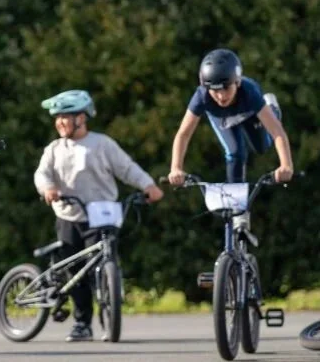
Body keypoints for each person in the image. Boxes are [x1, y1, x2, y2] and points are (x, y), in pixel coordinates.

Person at [34, 89, 163, 342]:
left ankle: (109, 310)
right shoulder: (54, 149)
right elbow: (42, 174)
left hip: (102, 215)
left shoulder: (102, 144)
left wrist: (148, 186)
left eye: (66, 117)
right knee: (75, 272)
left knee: (103, 263)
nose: (60, 122)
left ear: (81, 118)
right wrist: (48, 189)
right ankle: (82, 324)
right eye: (57, 117)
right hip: (69, 216)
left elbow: (126, 168)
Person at [168, 48, 293, 187]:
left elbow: (277, 132)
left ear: (237, 82)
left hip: (250, 113)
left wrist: (286, 165)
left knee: (262, 147)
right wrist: (176, 168)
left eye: (226, 88)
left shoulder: (249, 92)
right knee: (235, 154)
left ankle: (272, 109)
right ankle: (235, 202)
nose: (221, 96)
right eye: (214, 90)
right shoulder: (201, 97)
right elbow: (183, 134)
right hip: (223, 119)